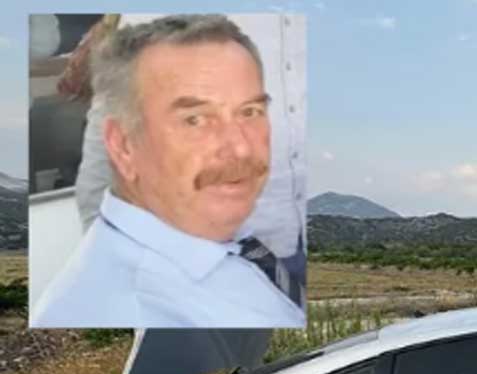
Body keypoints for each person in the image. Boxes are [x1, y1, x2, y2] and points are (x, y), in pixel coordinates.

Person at [31, 15, 304, 328]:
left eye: (251, 112)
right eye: (195, 120)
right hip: (198, 273)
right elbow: (101, 171)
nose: (240, 148)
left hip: (280, 250)